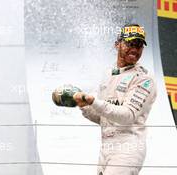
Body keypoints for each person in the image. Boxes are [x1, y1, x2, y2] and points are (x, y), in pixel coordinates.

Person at [73, 24, 157, 175]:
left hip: (128, 150)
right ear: (117, 44)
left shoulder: (144, 79)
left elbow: (128, 116)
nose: (135, 49)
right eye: (130, 43)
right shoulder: (109, 74)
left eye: (139, 45)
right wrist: (84, 106)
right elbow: (103, 118)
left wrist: (93, 101)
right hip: (105, 148)